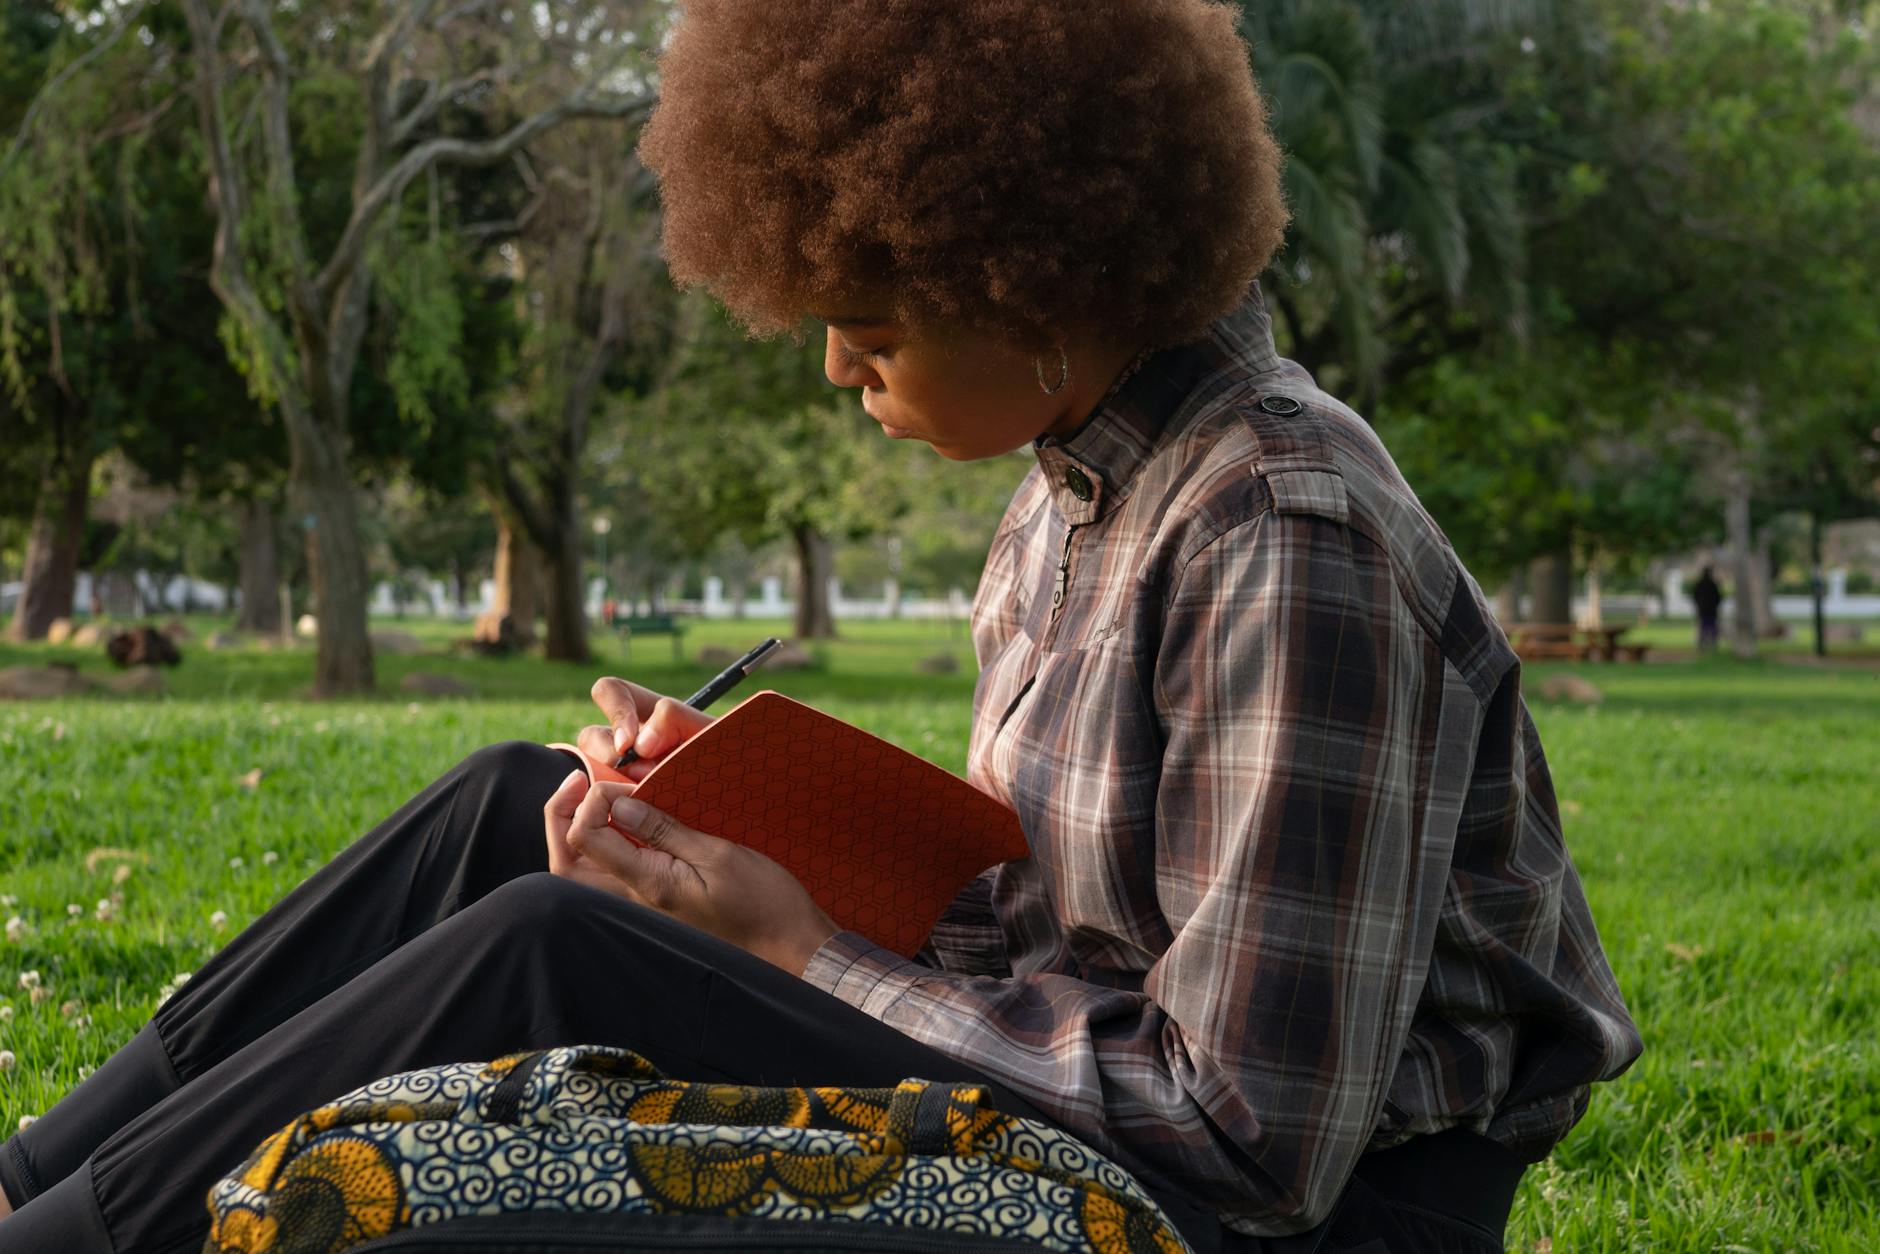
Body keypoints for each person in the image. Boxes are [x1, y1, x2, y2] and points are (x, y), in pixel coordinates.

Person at [0, 3, 1641, 1251]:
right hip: (1124, 1106)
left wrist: (793, 947)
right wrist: (745, 816)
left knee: (563, 938)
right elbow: (1069, 920)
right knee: (519, 801)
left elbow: (1253, 1134)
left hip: (1258, 1211)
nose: (838, 371)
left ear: (1032, 279)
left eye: (867, 323)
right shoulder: (1076, 492)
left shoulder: (1284, 535)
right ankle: (38, 1180)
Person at [1692, 565, 1724, 652]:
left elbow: (1695, 596)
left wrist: (1700, 604)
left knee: (1705, 627)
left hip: (1704, 610)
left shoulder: (1700, 584)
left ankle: (1704, 644)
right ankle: (1711, 643)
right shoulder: (1712, 584)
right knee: (1710, 627)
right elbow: (1718, 597)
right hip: (1710, 610)